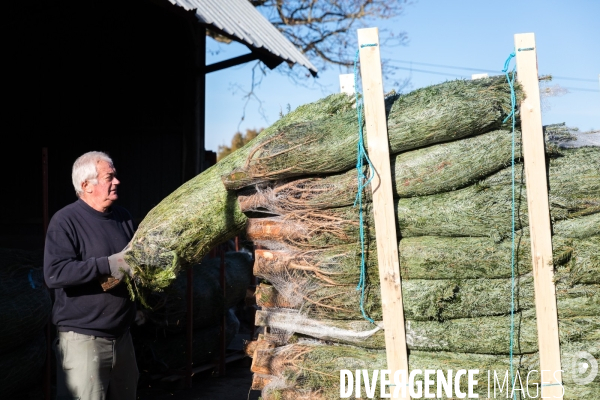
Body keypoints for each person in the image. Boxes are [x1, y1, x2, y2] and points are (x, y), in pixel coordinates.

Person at [44, 151, 138, 400]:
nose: (116, 181)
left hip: (122, 337)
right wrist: (106, 264)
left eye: (115, 176)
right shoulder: (65, 221)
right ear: (86, 185)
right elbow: (55, 274)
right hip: (83, 339)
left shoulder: (123, 217)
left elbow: (134, 264)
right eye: (110, 177)